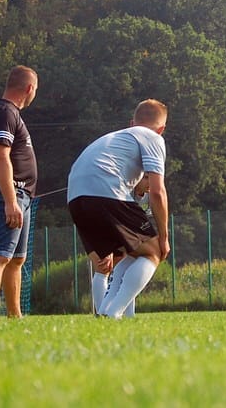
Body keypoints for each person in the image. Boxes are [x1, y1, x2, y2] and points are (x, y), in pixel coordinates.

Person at [68, 99, 169, 319]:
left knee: (131, 252)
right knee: (153, 251)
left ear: (132, 122)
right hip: (105, 191)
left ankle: (106, 310)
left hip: (75, 197)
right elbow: (157, 191)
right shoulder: (153, 137)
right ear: (161, 129)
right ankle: (114, 311)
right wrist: (163, 236)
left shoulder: (114, 138)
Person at [0, 65, 39, 319]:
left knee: (16, 259)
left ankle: (15, 316)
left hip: (22, 196)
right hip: (11, 194)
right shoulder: (4, 112)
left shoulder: (11, 113)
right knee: (1, 254)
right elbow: (1, 156)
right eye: (35, 90)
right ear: (29, 88)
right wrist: (9, 201)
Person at [90, 174, 150, 317]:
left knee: (129, 269)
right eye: (146, 177)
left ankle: (128, 315)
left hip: (127, 231)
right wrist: (107, 247)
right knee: (103, 268)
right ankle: (101, 313)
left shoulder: (151, 194)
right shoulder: (122, 192)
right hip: (103, 226)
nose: (150, 181)